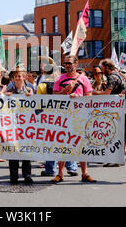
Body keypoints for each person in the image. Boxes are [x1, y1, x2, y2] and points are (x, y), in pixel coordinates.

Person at [51, 55, 96, 184]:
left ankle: (84, 173)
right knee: (63, 144)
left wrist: (78, 97)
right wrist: (65, 91)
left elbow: (89, 97)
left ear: (76, 64)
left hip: (80, 116)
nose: (67, 66)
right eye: (65, 63)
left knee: (81, 144)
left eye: (70, 63)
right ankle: (60, 173)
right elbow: (54, 97)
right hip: (64, 117)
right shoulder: (59, 79)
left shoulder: (84, 79)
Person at [38, 63, 78, 177]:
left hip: (49, 117)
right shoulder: (62, 83)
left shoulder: (42, 86)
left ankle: (50, 169)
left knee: (52, 141)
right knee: (68, 140)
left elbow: (38, 103)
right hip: (65, 115)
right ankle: (72, 167)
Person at [5, 65, 34, 184]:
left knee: (26, 149)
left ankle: (27, 175)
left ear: (24, 77)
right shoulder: (10, 87)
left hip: (26, 123)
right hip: (12, 123)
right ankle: (14, 176)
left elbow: (36, 102)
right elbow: (2, 99)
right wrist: (6, 95)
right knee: (13, 150)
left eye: (20, 76)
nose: (18, 78)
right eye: (16, 76)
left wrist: (32, 96)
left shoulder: (30, 88)